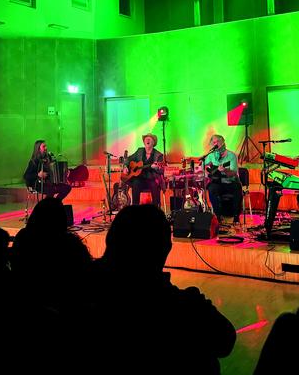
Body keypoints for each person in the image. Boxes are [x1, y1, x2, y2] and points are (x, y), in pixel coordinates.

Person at [89, 204, 236, 374]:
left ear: (110, 239)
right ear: (166, 249)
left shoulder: (79, 284)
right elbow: (225, 340)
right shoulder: (181, 306)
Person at [204, 134, 241, 222]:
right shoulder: (211, 155)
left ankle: (236, 216)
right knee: (211, 188)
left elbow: (233, 172)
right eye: (214, 142)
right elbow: (203, 165)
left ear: (223, 143)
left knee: (237, 187)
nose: (216, 144)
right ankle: (217, 215)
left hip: (230, 182)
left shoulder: (231, 155)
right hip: (218, 183)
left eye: (218, 142)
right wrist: (207, 173)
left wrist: (225, 170)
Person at [121, 133, 164, 206]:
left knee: (154, 185)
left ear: (153, 142)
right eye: (146, 139)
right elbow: (129, 159)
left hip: (152, 179)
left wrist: (156, 168)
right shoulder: (140, 151)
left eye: (149, 139)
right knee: (136, 183)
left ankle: (155, 208)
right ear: (144, 142)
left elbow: (161, 170)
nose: (147, 140)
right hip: (139, 179)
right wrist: (125, 166)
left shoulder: (158, 155)